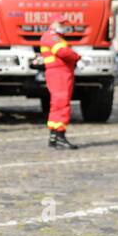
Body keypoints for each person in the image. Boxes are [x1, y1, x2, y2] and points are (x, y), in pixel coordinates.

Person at [40, 16, 79, 149]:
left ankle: (53, 136)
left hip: (59, 73)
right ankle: (60, 136)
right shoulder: (53, 37)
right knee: (62, 104)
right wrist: (77, 56)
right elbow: (62, 52)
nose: (64, 26)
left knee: (57, 105)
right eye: (61, 23)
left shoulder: (54, 37)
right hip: (59, 74)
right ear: (53, 23)